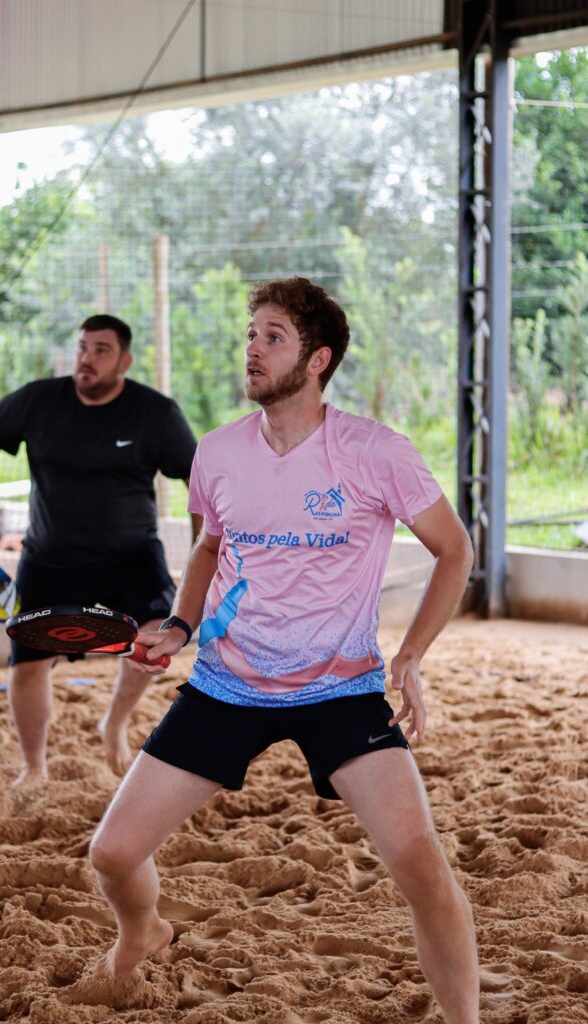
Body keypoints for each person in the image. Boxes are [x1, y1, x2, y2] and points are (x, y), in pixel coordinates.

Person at [88, 280, 479, 1024]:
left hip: (341, 689)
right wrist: (176, 626)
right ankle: (146, 930)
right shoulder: (219, 454)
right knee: (110, 854)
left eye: (272, 336)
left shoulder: (373, 452)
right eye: (250, 335)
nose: (252, 349)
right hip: (227, 686)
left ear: (318, 358)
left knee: (421, 866)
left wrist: (410, 657)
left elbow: (453, 550)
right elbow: (209, 547)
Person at [0, 313, 200, 784]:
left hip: (131, 555)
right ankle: (34, 768)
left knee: (153, 638)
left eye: (101, 351)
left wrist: (200, 551)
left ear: (124, 361)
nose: (86, 360)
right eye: (82, 348)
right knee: (27, 665)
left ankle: (114, 724)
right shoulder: (37, 400)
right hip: (49, 556)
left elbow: (199, 482)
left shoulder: (156, 413)